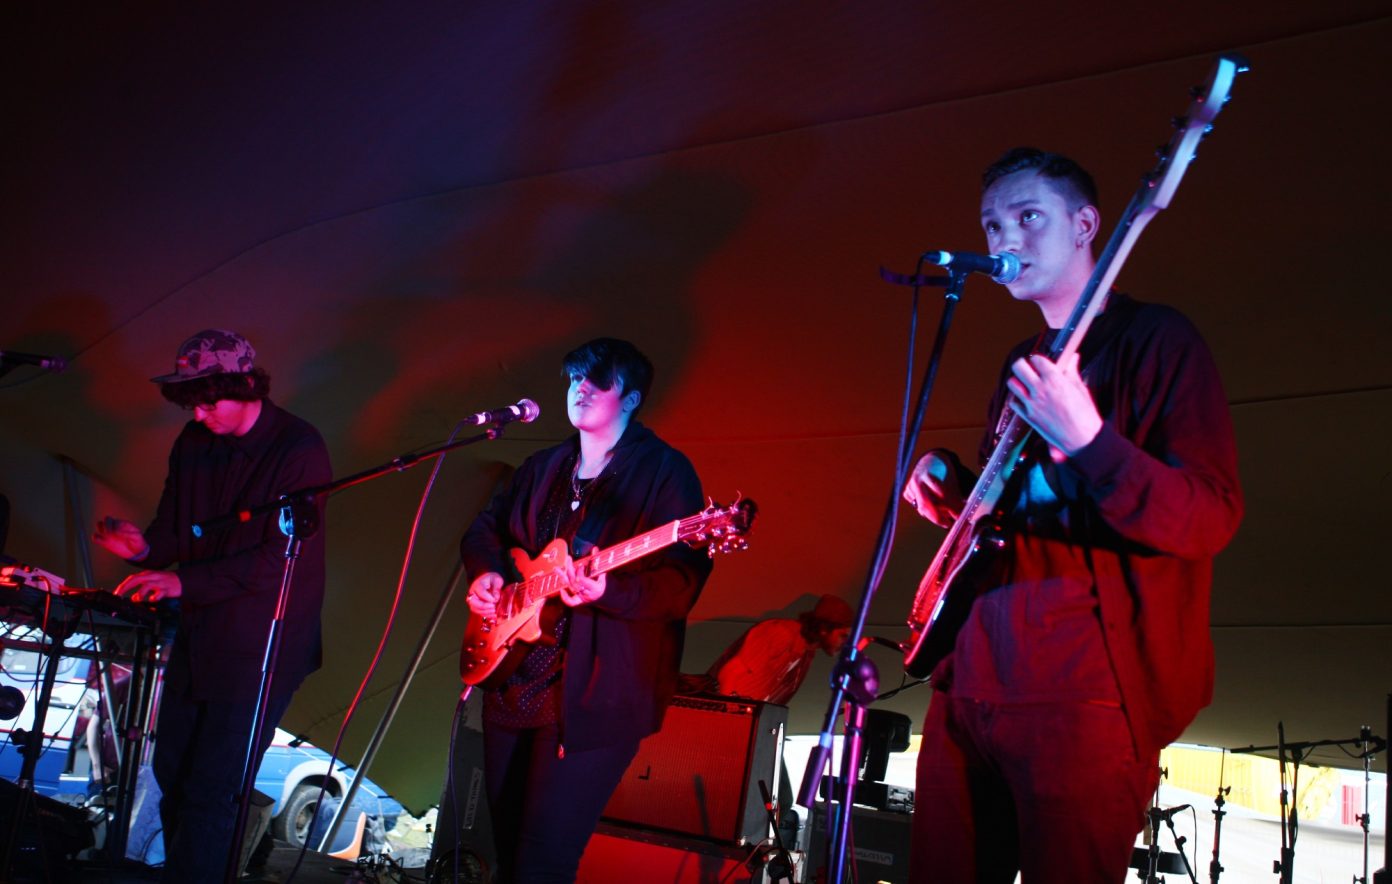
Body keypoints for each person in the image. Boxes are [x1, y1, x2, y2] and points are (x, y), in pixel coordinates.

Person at [900, 148, 1243, 883]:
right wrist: (953, 487)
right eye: (993, 225)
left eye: (1029, 217)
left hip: (1082, 698)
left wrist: (1089, 440)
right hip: (970, 685)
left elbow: (1209, 516)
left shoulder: (1157, 340)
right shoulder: (1020, 360)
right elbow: (1024, 517)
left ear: (1086, 225)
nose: (1005, 239)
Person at [460, 338, 712, 883]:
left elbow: (682, 583)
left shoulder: (665, 472)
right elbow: (485, 529)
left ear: (631, 398)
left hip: (593, 692)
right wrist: (487, 574)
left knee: (543, 862)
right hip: (513, 678)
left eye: (598, 381)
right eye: (575, 378)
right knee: (507, 852)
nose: (581, 389)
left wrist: (609, 592)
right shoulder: (543, 467)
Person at [93, 329, 330, 881]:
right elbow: (176, 528)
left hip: (263, 646)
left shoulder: (298, 448)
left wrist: (183, 582)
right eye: (191, 405)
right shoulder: (194, 442)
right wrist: (144, 549)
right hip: (202, 635)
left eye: (209, 402)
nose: (199, 414)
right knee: (172, 771)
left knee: (213, 787)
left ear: (245, 385)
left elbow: (278, 561)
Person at [689, 593, 854, 706]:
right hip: (727, 719)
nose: (845, 643)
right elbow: (731, 672)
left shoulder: (805, 654)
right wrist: (732, 716)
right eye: (843, 636)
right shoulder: (781, 633)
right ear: (824, 629)